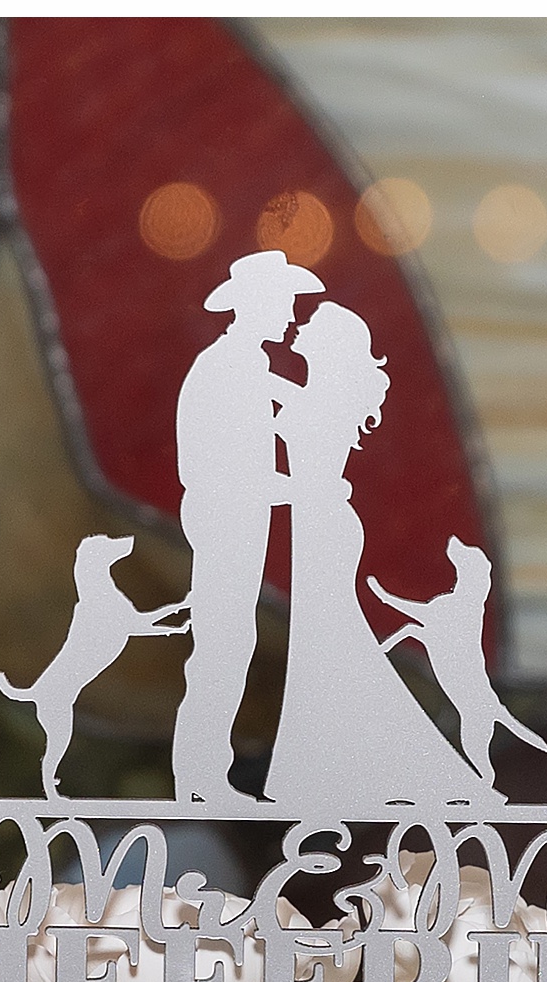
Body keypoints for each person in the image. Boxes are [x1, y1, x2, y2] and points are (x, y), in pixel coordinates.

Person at [263, 301, 481, 811]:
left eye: (311, 328)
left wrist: (258, 488)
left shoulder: (323, 403)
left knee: (332, 646)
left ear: (331, 346)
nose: (300, 330)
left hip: (326, 528)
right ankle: (331, 771)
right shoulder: (313, 397)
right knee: (326, 650)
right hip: (319, 527)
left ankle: (389, 771)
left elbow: (304, 471)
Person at [173, 250, 323, 805]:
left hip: (240, 527)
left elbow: (283, 415)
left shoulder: (250, 370)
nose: (290, 315)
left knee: (230, 647)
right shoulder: (225, 371)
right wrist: (300, 488)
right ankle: (200, 777)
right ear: (257, 306)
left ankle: (206, 774)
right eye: (284, 303)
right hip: (224, 529)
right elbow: (219, 470)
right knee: (220, 649)